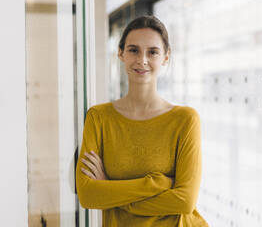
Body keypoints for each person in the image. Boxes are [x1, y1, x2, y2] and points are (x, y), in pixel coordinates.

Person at [75, 15, 209, 226]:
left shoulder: (185, 120)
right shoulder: (98, 118)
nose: (142, 60)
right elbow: (88, 195)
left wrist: (110, 189)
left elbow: (185, 201)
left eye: (153, 52)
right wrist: (156, 184)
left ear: (165, 57)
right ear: (120, 53)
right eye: (133, 50)